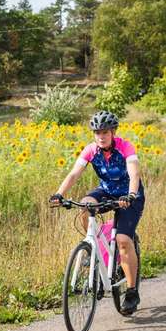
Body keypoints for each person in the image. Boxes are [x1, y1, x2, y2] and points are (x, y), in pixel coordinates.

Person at [49, 110, 145, 314]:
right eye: (97, 133)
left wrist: (131, 194)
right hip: (106, 190)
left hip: (129, 196)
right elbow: (74, 173)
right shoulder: (91, 150)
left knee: (123, 240)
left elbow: (134, 172)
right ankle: (94, 246)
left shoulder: (125, 147)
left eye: (104, 132)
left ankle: (131, 290)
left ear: (113, 132)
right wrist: (59, 193)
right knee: (84, 204)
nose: (100, 136)